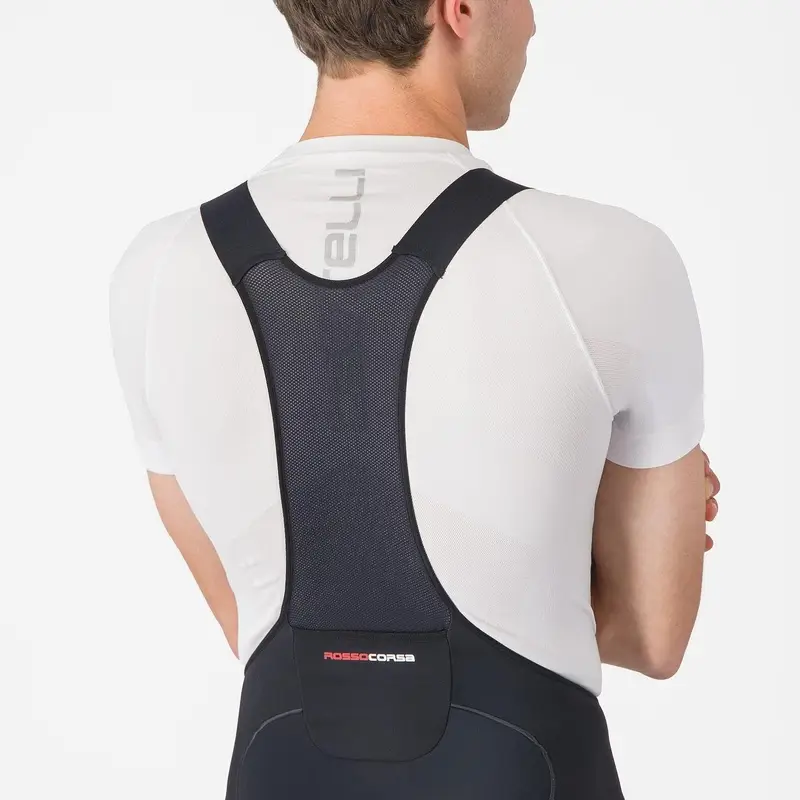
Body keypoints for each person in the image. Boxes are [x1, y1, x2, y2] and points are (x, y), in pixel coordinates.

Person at [108, 1, 721, 797]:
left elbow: (256, 621)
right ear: (458, 8)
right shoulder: (614, 258)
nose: (532, 22)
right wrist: (570, 552)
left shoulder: (156, 271)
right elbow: (653, 636)